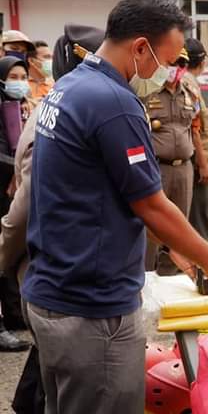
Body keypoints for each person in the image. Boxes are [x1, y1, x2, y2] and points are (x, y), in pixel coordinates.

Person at [22, 0, 208, 414]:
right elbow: (151, 204)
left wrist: (176, 249)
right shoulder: (114, 103)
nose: (168, 72)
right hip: (92, 309)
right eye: (167, 59)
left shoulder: (70, 86)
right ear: (141, 48)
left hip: (52, 291)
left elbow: (101, 189)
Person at [0, 24, 105, 414]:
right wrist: (6, 259)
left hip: (68, 268)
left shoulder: (77, 106)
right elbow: (22, 207)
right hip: (51, 268)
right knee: (58, 375)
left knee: (50, 372)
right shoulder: (51, 115)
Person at [141, 47, 201, 275]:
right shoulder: (148, 93)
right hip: (157, 167)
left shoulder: (190, 93)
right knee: (153, 227)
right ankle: (146, 277)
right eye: (172, 63)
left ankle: (168, 277)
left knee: (179, 228)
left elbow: (195, 128)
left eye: (181, 64)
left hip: (184, 168)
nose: (176, 69)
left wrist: (202, 163)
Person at [0, 56, 32, 352]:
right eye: (13, 76)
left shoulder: (26, 107)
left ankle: (12, 314)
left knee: (12, 253)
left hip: (13, 189)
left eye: (23, 75)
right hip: (4, 184)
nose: (20, 81)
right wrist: (15, 169)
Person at [185, 38, 208, 242]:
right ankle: (201, 270)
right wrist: (203, 164)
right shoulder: (188, 84)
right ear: (202, 61)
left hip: (189, 162)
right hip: (194, 164)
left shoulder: (185, 80)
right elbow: (194, 128)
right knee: (198, 218)